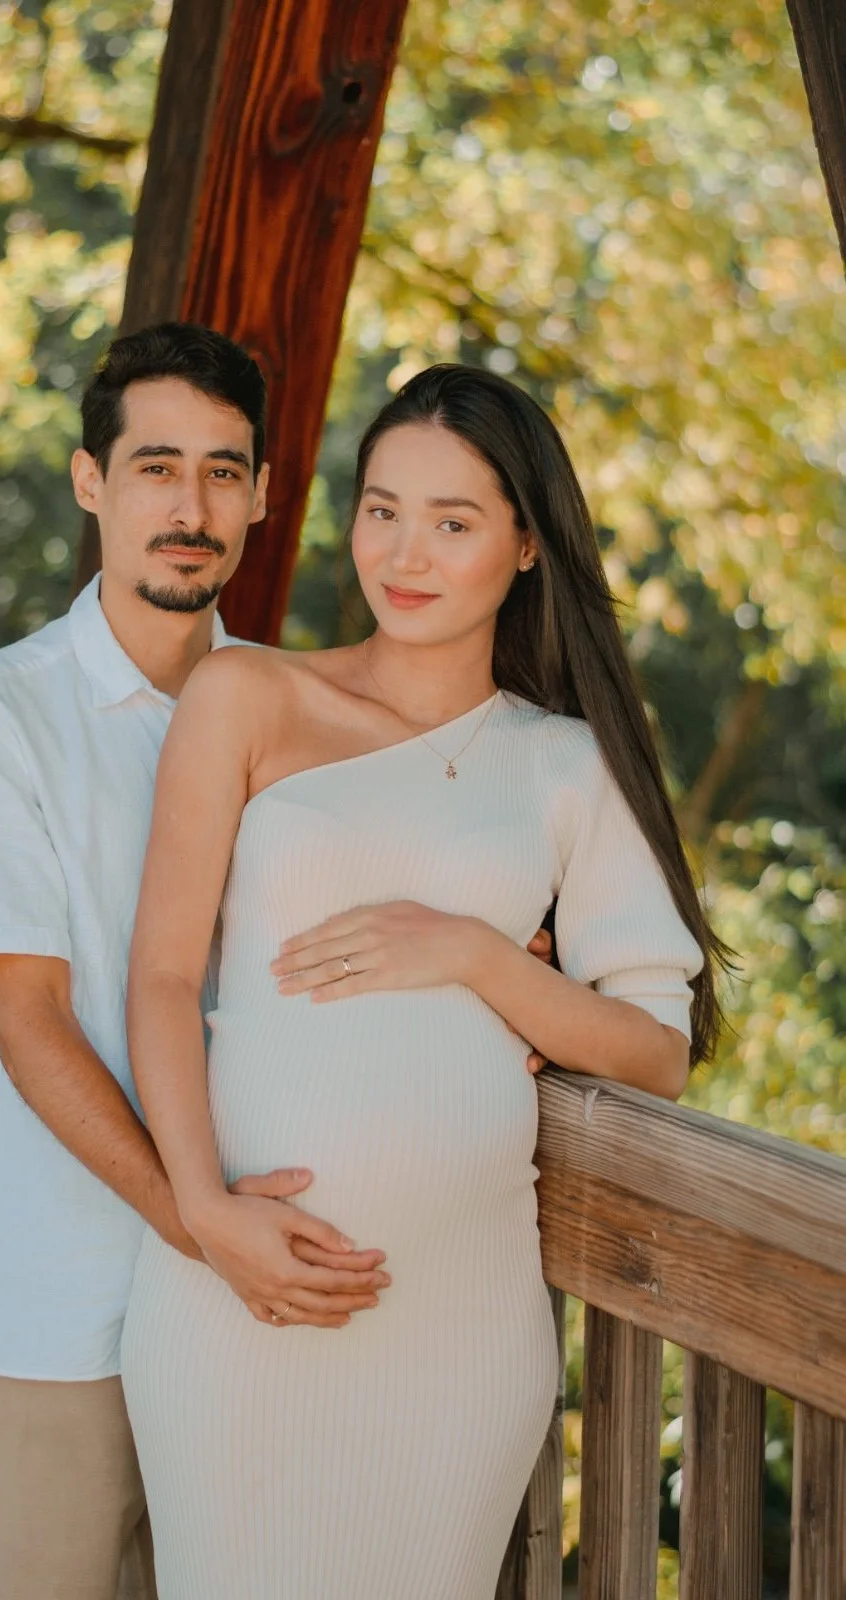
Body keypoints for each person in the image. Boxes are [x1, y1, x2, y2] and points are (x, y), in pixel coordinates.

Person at [122, 362, 724, 1599]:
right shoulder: (246, 694)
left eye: (453, 522)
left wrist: (475, 953)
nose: (405, 552)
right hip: (235, 1293)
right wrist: (203, 1207)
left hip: (456, 1329)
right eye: (383, 509)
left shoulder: (564, 764)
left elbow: (654, 1049)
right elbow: (163, 975)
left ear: (525, 549)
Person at [0, 323, 392, 1600]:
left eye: (224, 472)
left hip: (257, 1319)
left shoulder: (302, 718)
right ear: (89, 483)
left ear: (264, 493)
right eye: (156, 467)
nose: (192, 507)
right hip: (60, 1318)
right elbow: (29, 1024)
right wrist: (201, 1223)